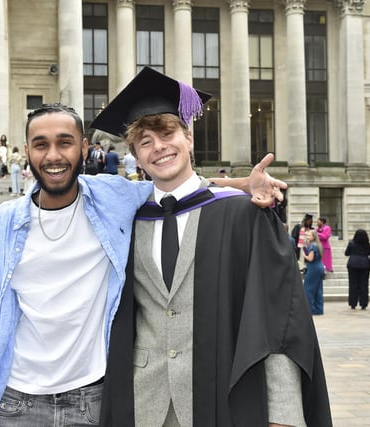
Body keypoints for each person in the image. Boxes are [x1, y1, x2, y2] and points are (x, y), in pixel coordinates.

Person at [0, 102, 286, 425]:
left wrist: (243, 184)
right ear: (27, 152)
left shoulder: (113, 197)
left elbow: (180, 186)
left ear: (83, 150)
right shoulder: (4, 222)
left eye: (64, 143)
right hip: (16, 401)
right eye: (41, 144)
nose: (53, 155)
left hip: (92, 401)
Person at [90, 67, 330, 426]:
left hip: (223, 396)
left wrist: (283, 414)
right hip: (142, 402)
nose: (159, 147)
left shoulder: (242, 215)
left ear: (188, 136)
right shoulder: (125, 220)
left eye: (167, 133)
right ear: (136, 157)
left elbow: (279, 316)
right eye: (145, 142)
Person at [344, 229, 370, 310]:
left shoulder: (351, 243)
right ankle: (364, 303)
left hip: (353, 263)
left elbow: (347, 253)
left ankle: (353, 303)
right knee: (364, 284)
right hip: (365, 263)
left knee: (353, 284)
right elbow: (369, 252)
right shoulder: (366, 244)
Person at [302, 229, 325, 315]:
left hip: (313, 268)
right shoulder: (319, 245)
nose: (307, 237)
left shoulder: (312, 246)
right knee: (318, 289)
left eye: (309, 235)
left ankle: (310, 309)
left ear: (313, 237)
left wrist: (304, 255)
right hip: (319, 267)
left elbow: (310, 258)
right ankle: (319, 309)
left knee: (308, 289)